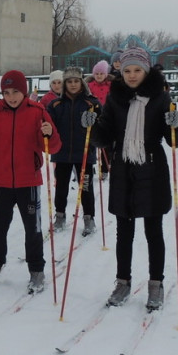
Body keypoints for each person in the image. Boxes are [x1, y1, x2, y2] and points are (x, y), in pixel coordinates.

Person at [80, 47, 178, 311]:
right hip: (123, 170)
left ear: (146, 70)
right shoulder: (115, 99)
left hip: (152, 170)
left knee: (154, 232)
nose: (131, 75)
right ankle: (123, 281)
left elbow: (176, 141)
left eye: (137, 70)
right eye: (127, 71)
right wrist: (92, 127)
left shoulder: (161, 99)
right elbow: (104, 136)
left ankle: (155, 284)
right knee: (123, 233)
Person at [0, 70, 62, 294]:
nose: (11, 96)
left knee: (33, 230)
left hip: (29, 182)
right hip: (2, 182)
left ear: (24, 91)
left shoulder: (38, 112)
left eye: (15, 91)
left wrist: (49, 133)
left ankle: (36, 269)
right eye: (6, 92)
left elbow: (52, 148)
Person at [47, 67, 101, 235]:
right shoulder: (55, 104)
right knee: (61, 187)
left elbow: (104, 126)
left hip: (84, 153)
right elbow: (50, 126)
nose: (72, 84)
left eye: (76, 81)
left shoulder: (92, 103)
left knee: (85, 188)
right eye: (69, 82)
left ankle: (89, 218)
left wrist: (95, 122)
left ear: (82, 82)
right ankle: (60, 216)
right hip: (62, 153)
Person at [87, 60, 114, 180]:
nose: (98, 76)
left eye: (101, 74)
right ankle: (90, 166)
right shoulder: (89, 85)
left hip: (106, 117)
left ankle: (104, 168)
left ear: (106, 74)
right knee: (91, 144)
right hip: (92, 116)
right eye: (96, 73)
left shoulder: (110, 85)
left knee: (105, 144)